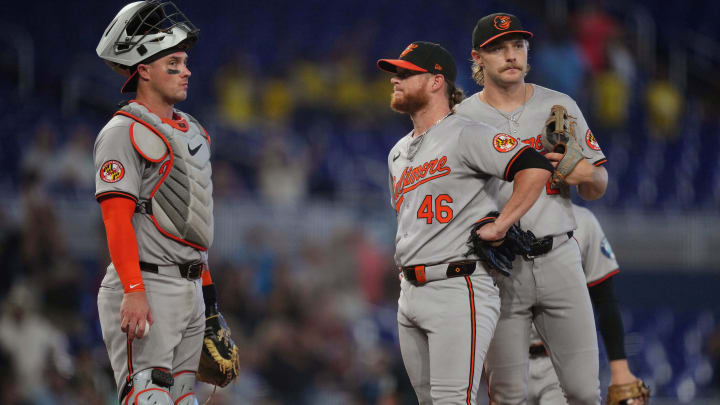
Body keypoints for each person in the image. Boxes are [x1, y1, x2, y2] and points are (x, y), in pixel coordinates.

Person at [377, 41, 553, 404]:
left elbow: (535, 166)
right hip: (409, 290)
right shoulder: (397, 153)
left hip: (457, 286)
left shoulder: (466, 132)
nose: (396, 79)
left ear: (436, 81)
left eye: (406, 73)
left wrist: (502, 223)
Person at [454, 13, 609, 405]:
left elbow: (598, 187)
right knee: (507, 395)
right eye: (498, 48)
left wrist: (584, 172)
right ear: (478, 58)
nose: (511, 55)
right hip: (500, 267)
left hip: (558, 255)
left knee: (583, 392)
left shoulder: (560, 105)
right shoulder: (461, 120)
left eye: (518, 46)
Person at [94, 2, 227, 404]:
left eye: (185, 61)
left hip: (189, 287)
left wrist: (210, 305)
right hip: (147, 285)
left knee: (183, 400)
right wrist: (133, 290)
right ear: (144, 70)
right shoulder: (123, 131)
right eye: (174, 62)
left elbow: (194, 232)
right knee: (148, 396)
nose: (186, 70)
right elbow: (115, 220)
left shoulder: (195, 131)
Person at [524, 204, 645, 405]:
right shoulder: (501, 217)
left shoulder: (583, 222)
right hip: (511, 360)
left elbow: (604, 300)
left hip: (561, 362)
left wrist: (620, 368)